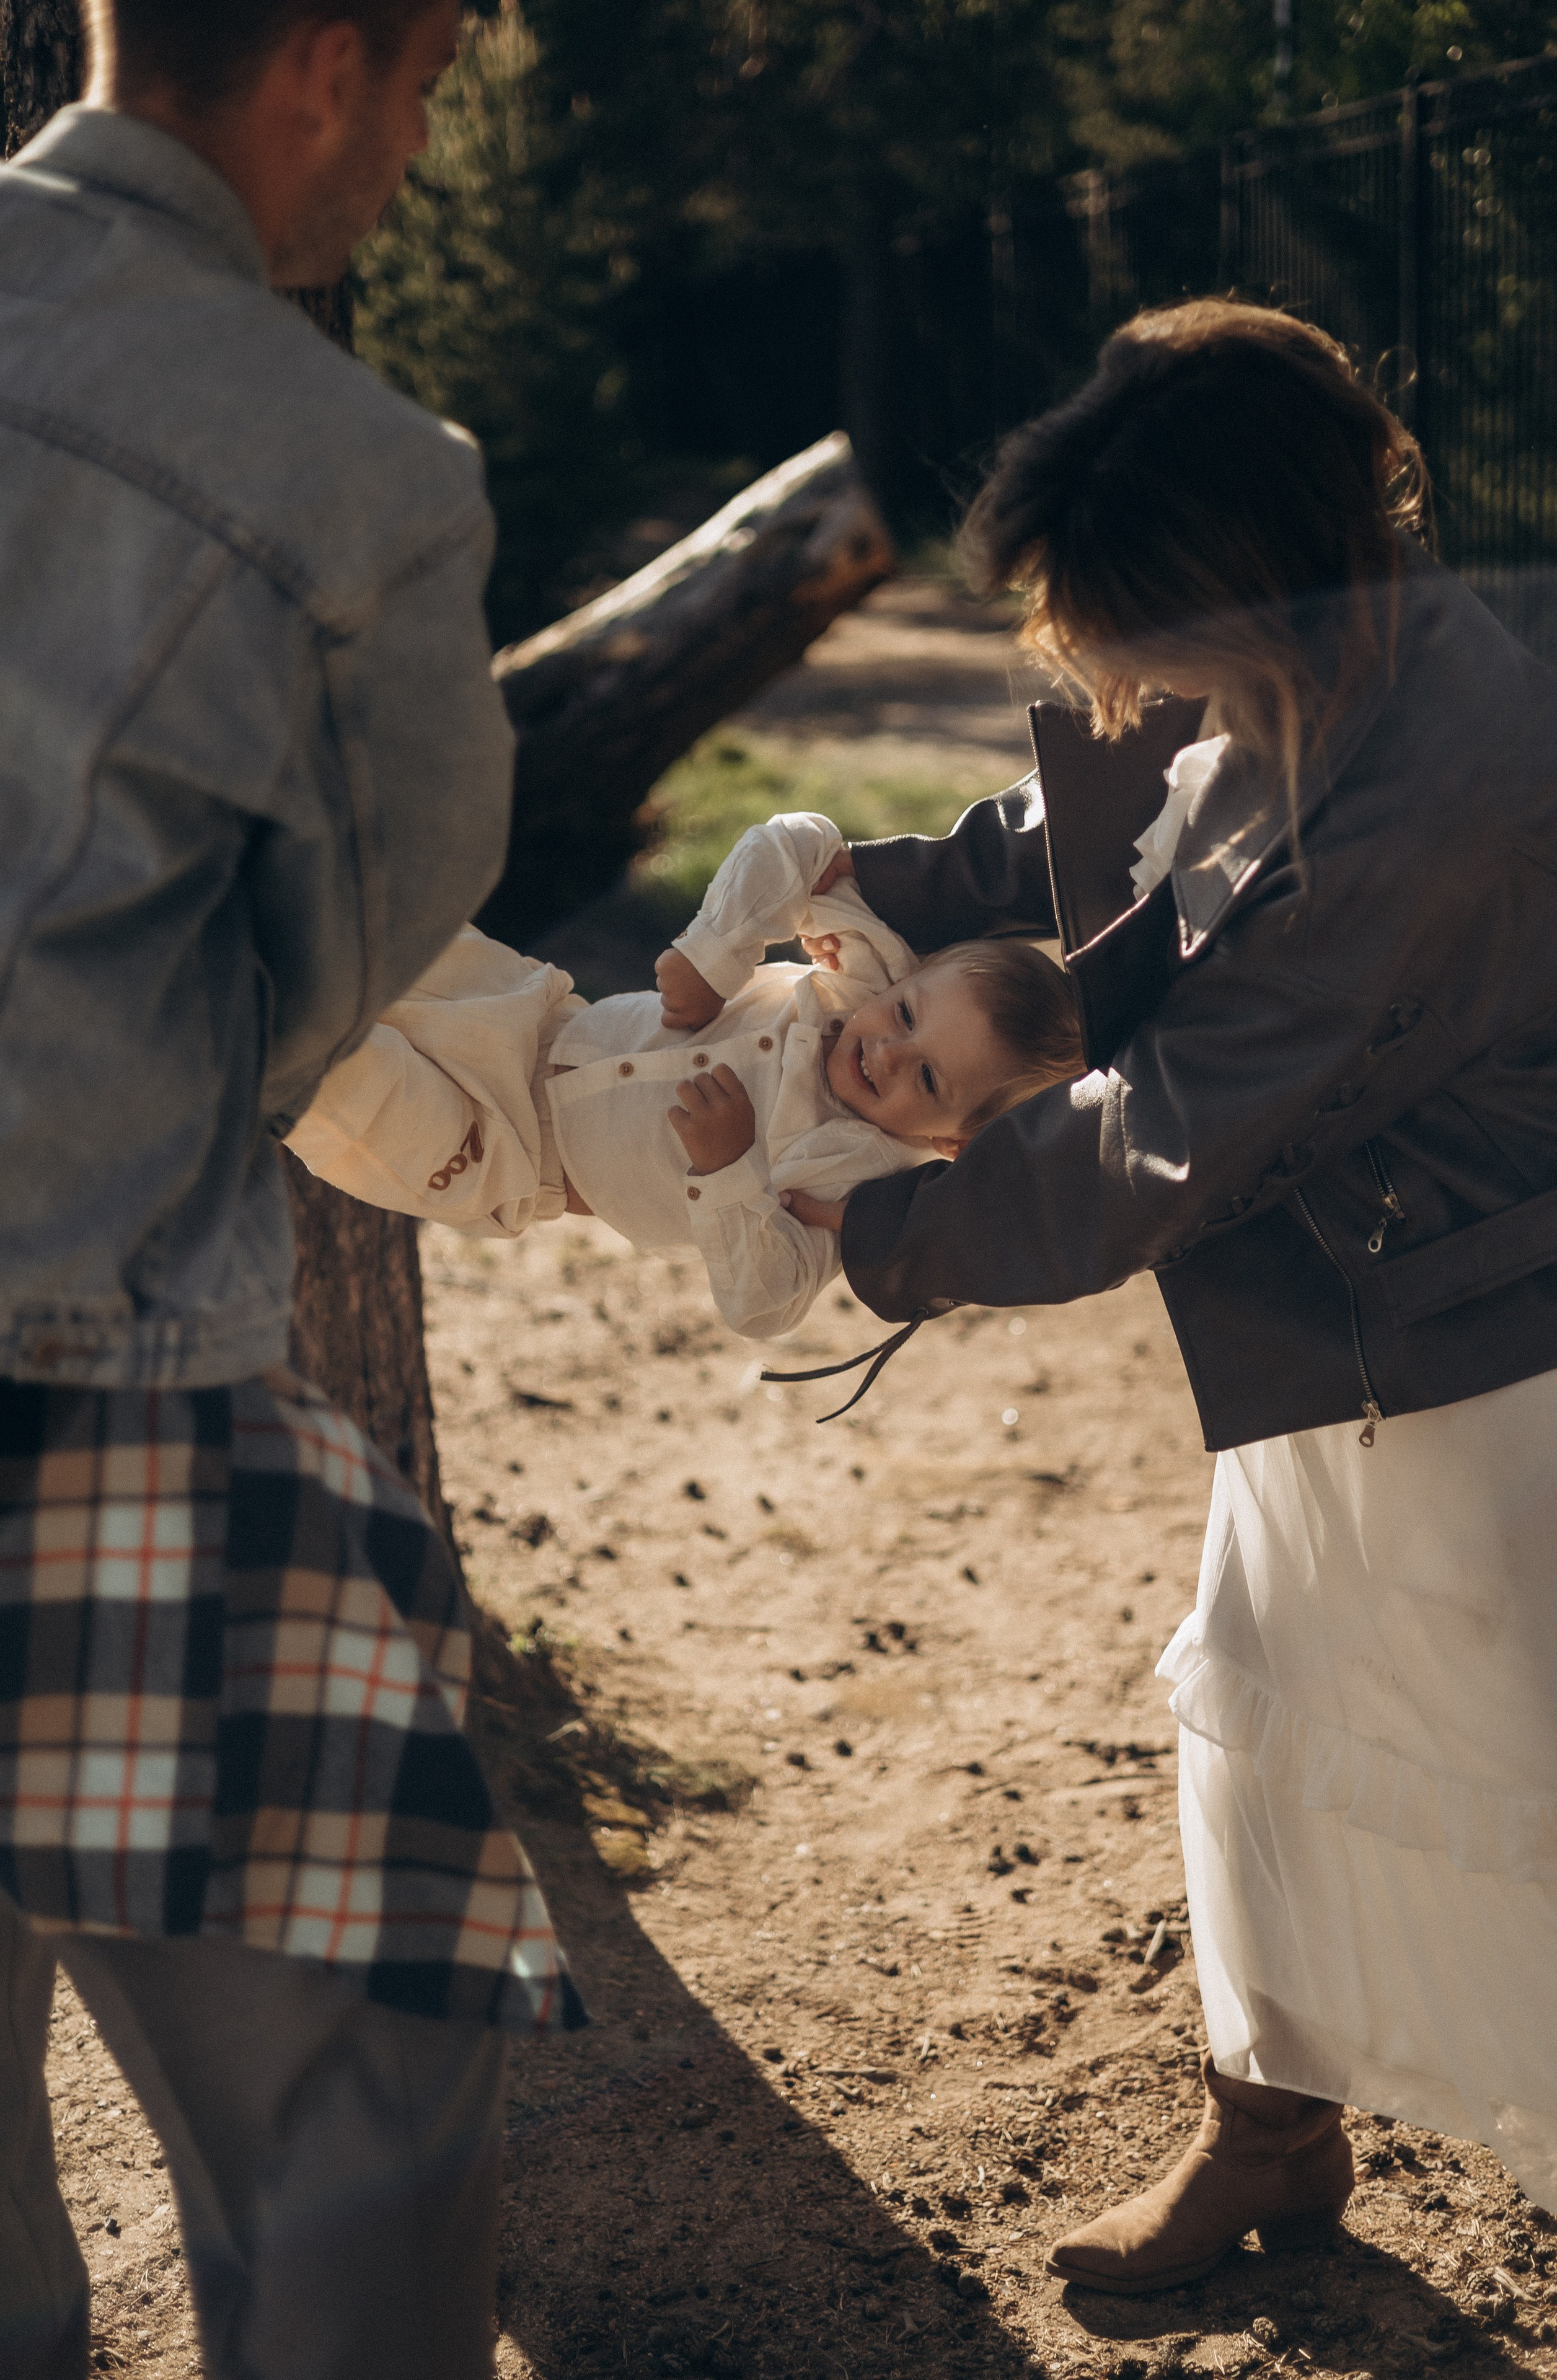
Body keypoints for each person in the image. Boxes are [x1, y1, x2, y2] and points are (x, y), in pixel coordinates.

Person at [797, 299, 1557, 2287]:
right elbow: (1095, 847)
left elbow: (1173, 1128)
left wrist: (857, 1229)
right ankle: (1272, 2134)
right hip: (1343, 1309)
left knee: (1530, 1770)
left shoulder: (1454, 782)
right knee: (1261, 1698)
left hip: (1492, 1334)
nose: (1110, 665)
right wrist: (873, 893)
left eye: (1126, 624)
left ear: (1242, 571)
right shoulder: (1290, 636)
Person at [0, 6, 580, 2376]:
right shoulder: (348, 473)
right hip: (84, 1384)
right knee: (364, 2077)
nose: (419, 154)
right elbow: (338, 964)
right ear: (331, 64)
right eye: (435, 91)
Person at [285, 813, 1081, 1338]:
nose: (888, 1050)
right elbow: (799, 842)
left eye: (930, 1081)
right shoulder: (861, 978)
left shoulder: (850, 1182)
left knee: (332, 1068)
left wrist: (729, 1168)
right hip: (520, 1011)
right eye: (907, 1015)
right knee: (346, 918)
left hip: (499, 1156)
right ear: (910, 980)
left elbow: (764, 1306)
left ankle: (213, 999)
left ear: (950, 1140)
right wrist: (713, 956)